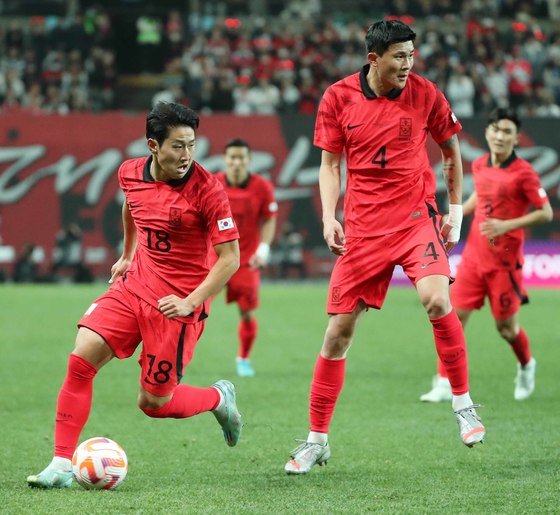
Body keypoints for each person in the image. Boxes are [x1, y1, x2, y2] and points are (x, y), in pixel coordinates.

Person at [284, 20, 485, 475]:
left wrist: (454, 215)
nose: (408, 66)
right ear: (373, 58)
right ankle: (317, 440)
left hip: (416, 221)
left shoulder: (426, 93)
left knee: (436, 299)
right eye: (399, 56)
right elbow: (330, 164)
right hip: (363, 230)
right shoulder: (338, 97)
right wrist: (328, 215)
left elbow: (451, 152)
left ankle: (464, 403)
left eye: (412, 56)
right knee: (337, 335)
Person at [27, 102, 242, 489]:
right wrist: (128, 254)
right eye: (178, 146)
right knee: (81, 359)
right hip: (136, 285)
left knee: (154, 404)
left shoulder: (208, 190)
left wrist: (191, 301)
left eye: (192, 145)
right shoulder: (130, 172)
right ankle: (60, 464)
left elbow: (230, 260)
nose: (187, 155)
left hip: (176, 306)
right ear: (153, 146)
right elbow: (132, 206)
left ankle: (217, 398)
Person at [420, 108, 552, 403]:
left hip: (504, 264)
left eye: (507, 131)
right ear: (488, 132)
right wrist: (452, 216)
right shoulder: (479, 164)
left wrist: (507, 224)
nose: (500, 135)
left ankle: (526, 364)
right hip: (474, 259)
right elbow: (479, 196)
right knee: (452, 318)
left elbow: (546, 213)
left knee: (506, 329)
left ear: (516, 138)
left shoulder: (524, 173)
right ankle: (443, 381)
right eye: (495, 129)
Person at [214, 139, 277, 377]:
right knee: (194, 307)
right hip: (214, 257)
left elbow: (269, 218)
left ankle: (243, 358)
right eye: (232, 157)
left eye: (241, 158)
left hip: (245, 260)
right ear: (225, 159)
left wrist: (263, 249)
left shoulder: (262, 187)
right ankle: (179, 357)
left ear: (249, 161)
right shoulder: (213, 183)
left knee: (247, 313)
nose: (237, 162)